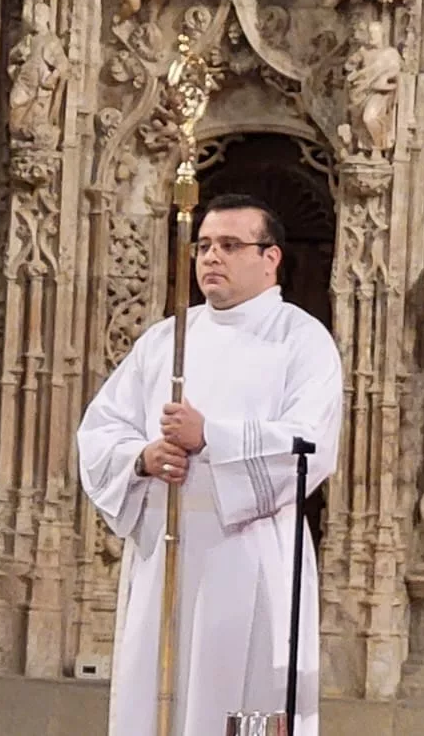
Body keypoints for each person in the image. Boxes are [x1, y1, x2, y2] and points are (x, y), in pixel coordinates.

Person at [77, 193, 342, 736]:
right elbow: (101, 428)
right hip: (164, 553)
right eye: (203, 246)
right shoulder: (166, 339)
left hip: (249, 554)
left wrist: (211, 439)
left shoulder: (300, 340)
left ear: (270, 258)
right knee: (155, 697)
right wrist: (142, 458)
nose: (210, 258)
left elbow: (309, 445)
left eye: (229, 245)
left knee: (239, 705)